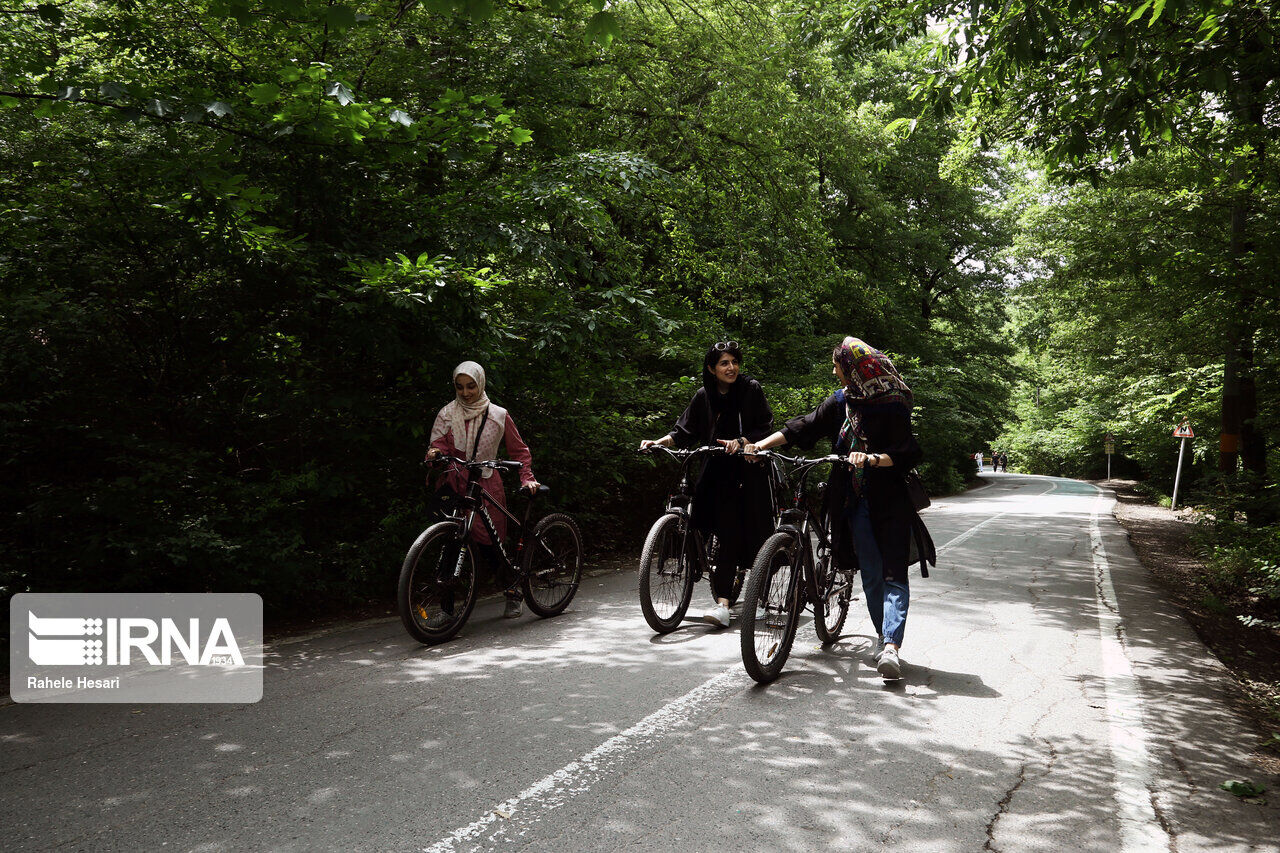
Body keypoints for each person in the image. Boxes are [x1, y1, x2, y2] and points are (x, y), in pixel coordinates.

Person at [746, 337, 923, 681]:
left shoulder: (893, 404)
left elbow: (907, 451)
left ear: (852, 368)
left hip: (889, 501)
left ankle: (890, 647)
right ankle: (884, 639)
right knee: (871, 574)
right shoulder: (842, 401)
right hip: (853, 499)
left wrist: (873, 458)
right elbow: (804, 425)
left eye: (837, 365)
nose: (833, 371)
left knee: (893, 575)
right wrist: (761, 444)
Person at [639, 341, 775, 628]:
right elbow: (683, 430)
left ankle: (732, 602)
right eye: (724, 363)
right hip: (715, 469)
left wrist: (743, 442)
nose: (731, 368)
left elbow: (765, 426)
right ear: (712, 368)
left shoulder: (750, 389)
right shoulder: (705, 395)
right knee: (710, 524)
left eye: (734, 362)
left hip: (747, 470)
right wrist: (658, 442)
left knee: (746, 531)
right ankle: (708, 575)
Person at [426, 361, 540, 619]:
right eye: (460, 387)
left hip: (487, 484)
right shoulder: (446, 413)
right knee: (451, 541)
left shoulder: (498, 415)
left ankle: (512, 592)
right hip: (454, 484)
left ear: (481, 383)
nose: (465, 392)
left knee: (492, 545)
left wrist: (526, 477)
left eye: (471, 386)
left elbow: (519, 451)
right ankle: (446, 609)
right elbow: (438, 445)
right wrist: (435, 454)